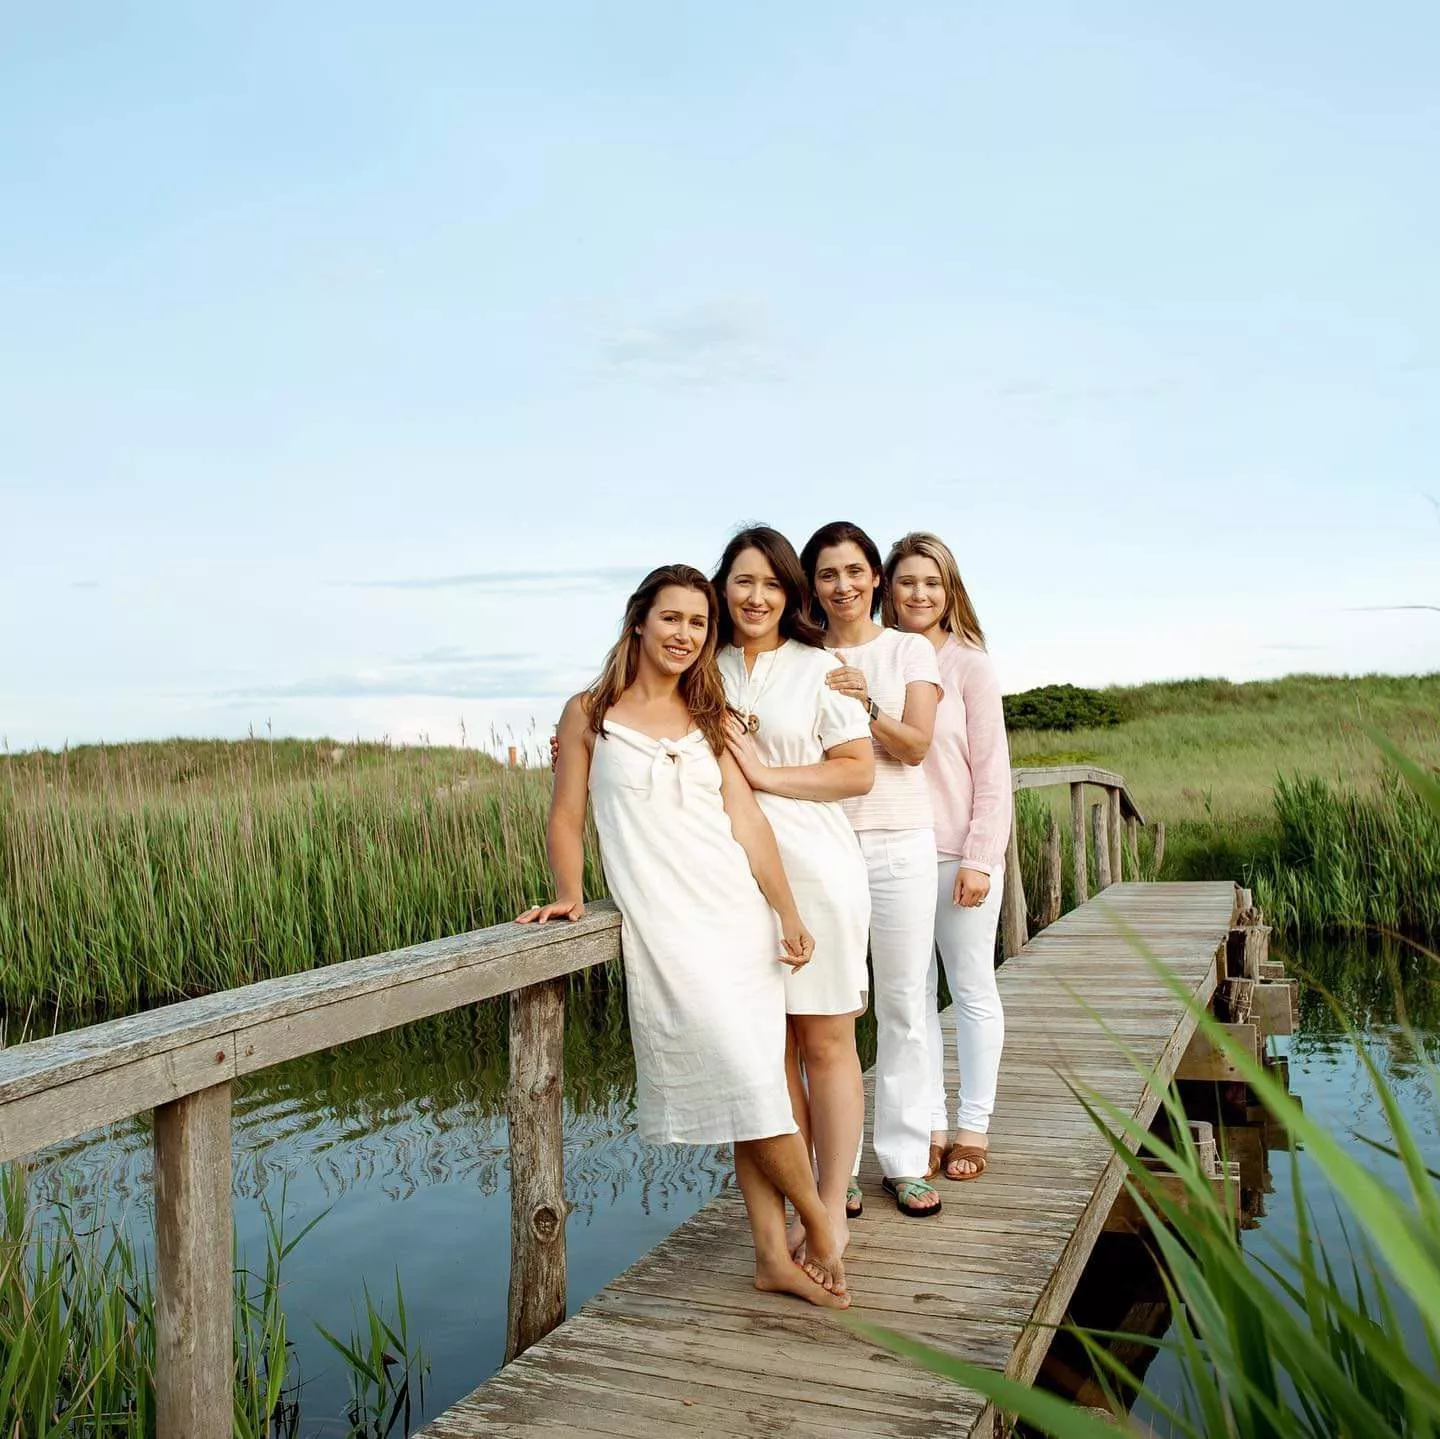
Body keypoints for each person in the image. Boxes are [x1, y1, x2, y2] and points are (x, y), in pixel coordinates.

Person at [517, 564, 849, 1307]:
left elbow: (749, 823)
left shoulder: (712, 715)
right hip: (669, 930)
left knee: (754, 1088)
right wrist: (569, 895)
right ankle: (822, 1224)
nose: (685, 634)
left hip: (738, 919)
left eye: (698, 623)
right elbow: (566, 816)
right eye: (672, 619)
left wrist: (788, 912)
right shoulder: (588, 713)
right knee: (749, 1082)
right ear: (639, 621)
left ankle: (774, 1254)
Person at [712, 526, 874, 1255]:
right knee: (770, 1051)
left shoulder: (820, 668)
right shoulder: (700, 665)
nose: (756, 596)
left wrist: (768, 775)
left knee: (828, 1041)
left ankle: (834, 1205)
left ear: (791, 593)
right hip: (732, 879)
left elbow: (856, 770)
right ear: (722, 587)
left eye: (772, 583)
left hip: (817, 870)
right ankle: (802, 1204)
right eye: (744, 581)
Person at [800, 521, 944, 1219]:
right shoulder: (799, 653)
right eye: (828, 573)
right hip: (824, 847)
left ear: (875, 578)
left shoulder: (909, 648)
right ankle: (839, 1168)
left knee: (903, 1005)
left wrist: (865, 701)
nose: (843, 585)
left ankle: (905, 1160)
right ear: (813, 584)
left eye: (855, 571)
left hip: (899, 845)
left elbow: (915, 745)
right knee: (833, 1010)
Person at [885, 532, 1011, 1182]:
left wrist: (981, 857)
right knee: (911, 999)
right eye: (907, 581)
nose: (919, 593)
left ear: (949, 589)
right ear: (889, 589)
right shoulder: (879, 660)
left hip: (959, 853)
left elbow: (993, 773)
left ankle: (972, 1127)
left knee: (970, 989)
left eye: (931, 582)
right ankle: (929, 1125)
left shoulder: (969, 665)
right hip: (897, 853)